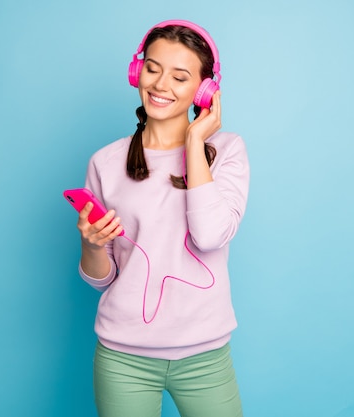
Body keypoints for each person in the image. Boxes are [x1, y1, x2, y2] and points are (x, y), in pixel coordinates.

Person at [75, 20, 249, 417]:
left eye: (180, 76)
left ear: (204, 90)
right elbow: (101, 280)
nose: (160, 85)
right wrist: (91, 243)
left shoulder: (227, 151)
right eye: (152, 68)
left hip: (205, 358)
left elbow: (210, 236)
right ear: (137, 72)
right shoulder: (105, 162)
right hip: (123, 359)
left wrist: (192, 141)